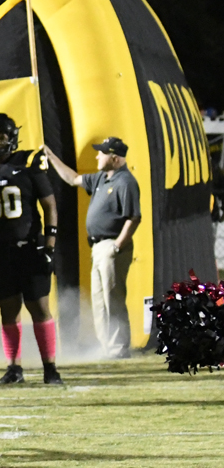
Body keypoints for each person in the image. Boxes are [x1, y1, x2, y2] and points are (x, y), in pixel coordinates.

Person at [0, 113, 63, 385]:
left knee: (39, 308)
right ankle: (14, 368)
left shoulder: (29, 162)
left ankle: (50, 368)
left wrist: (50, 245)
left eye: (1, 136)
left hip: (30, 247)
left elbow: (49, 205)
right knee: (8, 310)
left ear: (12, 138)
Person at [44, 137, 141, 359]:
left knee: (112, 299)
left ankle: (118, 348)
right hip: (98, 246)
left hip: (112, 245)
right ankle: (106, 348)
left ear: (114, 158)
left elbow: (134, 217)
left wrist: (117, 245)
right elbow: (73, 179)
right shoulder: (101, 178)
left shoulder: (125, 182)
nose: (97, 156)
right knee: (99, 301)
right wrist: (51, 157)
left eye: (102, 153)